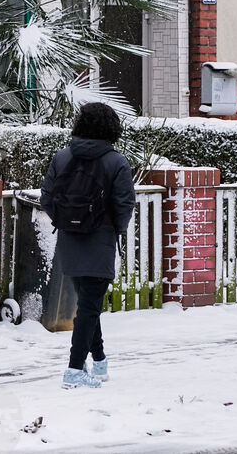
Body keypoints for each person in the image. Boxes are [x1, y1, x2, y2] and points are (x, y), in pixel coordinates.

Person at [40, 102, 136, 389]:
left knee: (87, 305)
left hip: (70, 240)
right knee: (90, 307)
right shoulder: (116, 162)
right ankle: (73, 370)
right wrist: (115, 229)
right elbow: (124, 204)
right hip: (100, 239)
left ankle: (100, 360)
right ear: (111, 128)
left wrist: (68, 222)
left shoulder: (62, 157)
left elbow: (47, 198)